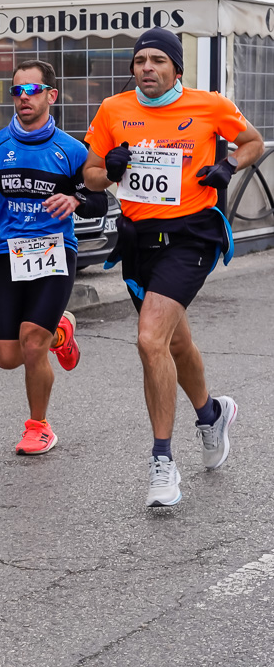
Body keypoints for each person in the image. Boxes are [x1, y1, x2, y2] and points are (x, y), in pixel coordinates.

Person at [82, 27, 263, 507]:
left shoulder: (209, 105)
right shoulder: (113, 110)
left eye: (158, 60)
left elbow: (253, 142)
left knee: (149, 340)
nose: (147, 68)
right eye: (140, 60)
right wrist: (110, 169)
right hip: (140, 242)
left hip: (191, 236)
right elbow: (91, 175)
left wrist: (228, 167)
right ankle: (211, 415)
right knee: (174, 343)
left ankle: (162, 462)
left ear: (176, 69)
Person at [0, 60, 107, 455]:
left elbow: (99, 201)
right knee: (6, 356)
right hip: (10, 252)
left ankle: (39, 427)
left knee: (31, 344)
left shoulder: (72, 150)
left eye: (32, 90)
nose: (23, 98)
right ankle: (60, 330)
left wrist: (76, 199)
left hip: (56, 252)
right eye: (17, 91)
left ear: (51, 95)